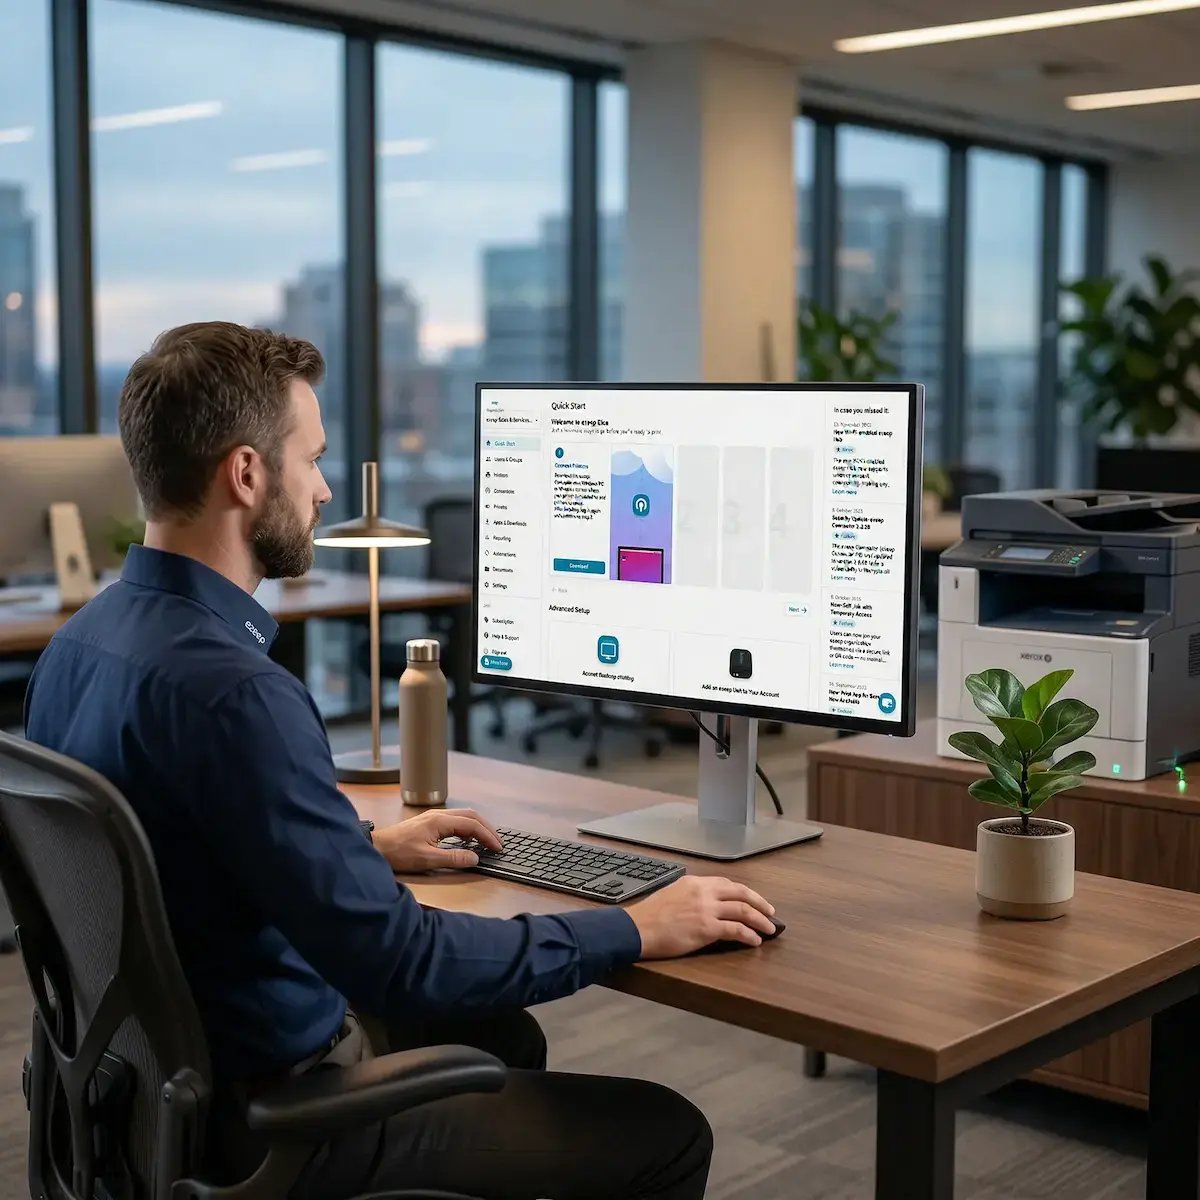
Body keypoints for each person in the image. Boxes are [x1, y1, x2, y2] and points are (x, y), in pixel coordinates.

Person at [24, 321, 778, 1200]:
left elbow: (163, 850)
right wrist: (636, 926)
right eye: (312, 460)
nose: (325, 488)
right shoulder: (237, 694)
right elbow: (398, 961)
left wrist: (366, 849)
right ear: (245, 473)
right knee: (665, 1131)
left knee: (500, 1037)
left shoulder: (76, 650)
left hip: (149, 1100)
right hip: (273, 1124)